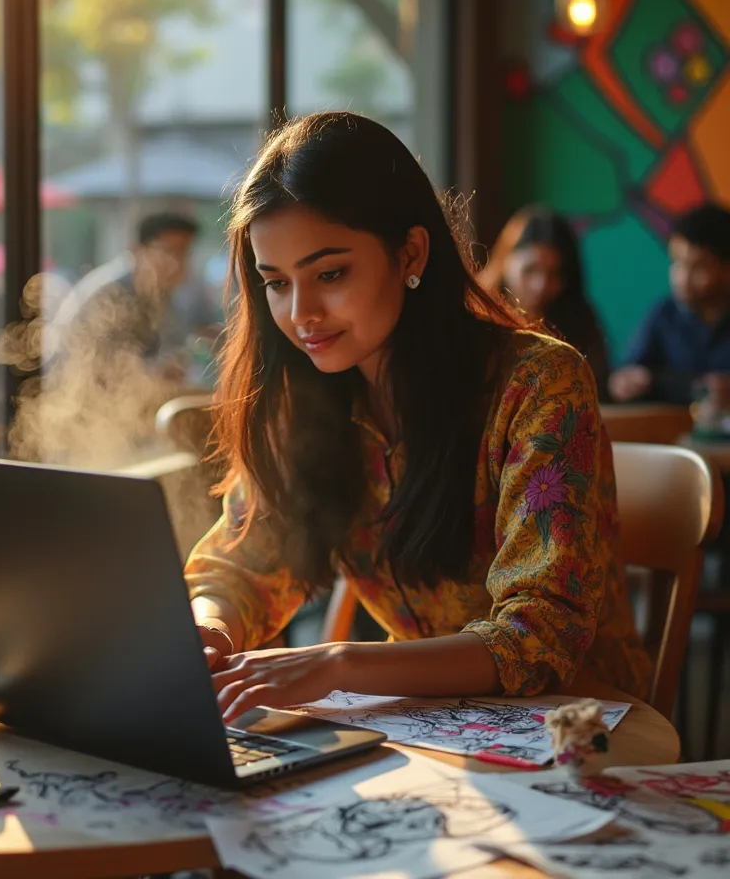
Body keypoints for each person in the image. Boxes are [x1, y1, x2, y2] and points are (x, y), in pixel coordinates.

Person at [184, 112, 650, 722]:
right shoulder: (308, 400)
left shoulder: (538, 383)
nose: (302, 313)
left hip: (580, 732)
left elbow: (542, 635)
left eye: (330, 274)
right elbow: (240, 568)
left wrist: (337, 665)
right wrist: (210, 632)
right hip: (424, 732)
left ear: (411, 251)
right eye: (276, 283)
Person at [54, 212, 219, 371]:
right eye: (169, 251)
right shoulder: (113, 295)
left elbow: (174, 345)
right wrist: (159, 369)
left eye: (184, 253)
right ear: (138, 251)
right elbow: (103, 365)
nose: (176, 263)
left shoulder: (161, 293)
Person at [610, 203, 730, 407]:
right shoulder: (662, 315)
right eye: (677, 262)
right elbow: (623, 379)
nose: (682, 277)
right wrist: (627, 382)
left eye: (698, 267)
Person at [481, 207, 609, 396]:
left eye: (554, 274)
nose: (540, 285)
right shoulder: (476, 316)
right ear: (505, 262)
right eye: (530, 269)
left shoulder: (579, 324)